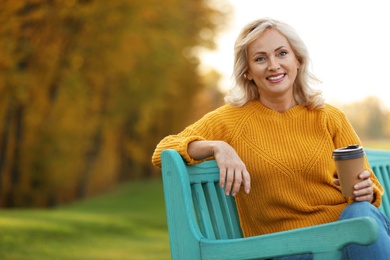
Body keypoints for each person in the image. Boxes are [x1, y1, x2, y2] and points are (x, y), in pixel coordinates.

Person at [151, 18, 390, 259]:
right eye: (260, 58)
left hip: (349, 236)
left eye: (282, 53)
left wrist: (366, 191)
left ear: (298, 59)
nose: (273, 65)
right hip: (288, 248)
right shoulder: (230, 120)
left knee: (362, 214)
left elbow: (371, 189)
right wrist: (217, 146)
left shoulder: (329, 117)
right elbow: (163, 151)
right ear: (248, 72)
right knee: (364, 225)